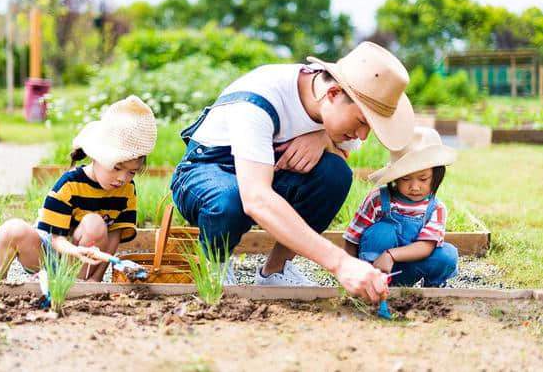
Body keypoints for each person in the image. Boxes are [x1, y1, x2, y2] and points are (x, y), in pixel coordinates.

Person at [171, 41, 414, 302]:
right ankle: (214, 267)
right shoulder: (260, 100)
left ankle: (275, 271)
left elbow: (343, 152)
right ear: (333, 94)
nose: (362, 136)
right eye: (362, 122)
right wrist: (341, 263)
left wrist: (322, 138)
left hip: (270, 171)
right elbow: (256, 198)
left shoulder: (338, 106)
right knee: (231, 199)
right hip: (207, 170)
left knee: (335, 174)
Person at [0, 96, 157, 282]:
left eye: (132, 172)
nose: (122, 178)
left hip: (81, 263)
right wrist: (75, 250)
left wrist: (96, 279)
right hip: (49, 251)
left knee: (95, 223)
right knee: (12, 229)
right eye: (117, 168)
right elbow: (55, 239)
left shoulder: (126, 190)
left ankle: (79, 283)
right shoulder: (70, 184)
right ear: (96, 156)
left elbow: (114, 236)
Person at [344, 126, 459, 287]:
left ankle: (433, 288)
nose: (414, 187)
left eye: (423, 178)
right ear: (396, 178)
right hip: (376, 265)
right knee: (383, 231)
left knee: (447, 254)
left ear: (436, 176)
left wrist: (391, 255)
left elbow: (426, 246)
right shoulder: (378, 199)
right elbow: (353, 237)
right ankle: (372, 283)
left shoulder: (436, 209)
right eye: (405, 179)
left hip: (411, 265)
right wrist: (351, 272)